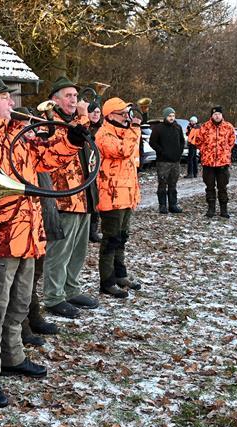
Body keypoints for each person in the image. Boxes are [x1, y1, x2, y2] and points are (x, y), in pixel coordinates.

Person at [0, 76, 85, 407]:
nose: (12, 103)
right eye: (5, 98)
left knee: (18, 305)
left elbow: (48, 159)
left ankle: (12, 357)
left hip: (27, 236)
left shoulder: (18, 134)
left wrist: (71, 141)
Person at [38, 76, 100, 320]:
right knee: (59, 252)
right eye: (68, 96)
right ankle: (53, 296)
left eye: (75, 95)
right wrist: (84, 119)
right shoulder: (48, 122)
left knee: (78, 250)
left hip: (82, 196)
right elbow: (55, 153)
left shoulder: (74, 121)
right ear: (55, 100)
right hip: (63, 197)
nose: (74, 100)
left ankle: (71, 289)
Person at [13, 106, 61, 348]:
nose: (30, 131)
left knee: (36, 273)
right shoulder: (16, 149)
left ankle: (33, 316)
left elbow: (55, 146)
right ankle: (22, 325)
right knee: (23, 280)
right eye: (25, 126)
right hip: (27, 219)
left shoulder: (34, 147)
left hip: (42, 217)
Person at [94, 98, 143, 299]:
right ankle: (107, 282)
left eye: (126, 113)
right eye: (122, 114)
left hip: (126, 195)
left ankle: (120, 275)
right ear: (110, 115)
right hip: (111, 196)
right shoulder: (104, 134)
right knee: (111, 240)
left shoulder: (124, 132)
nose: (126, 117)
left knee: (122, 238)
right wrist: (135, 129)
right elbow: (123, 151)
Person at [194, 106, 236, 218]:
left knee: (223, 187)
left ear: (222, 115)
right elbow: (198, 141)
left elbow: (232, 141)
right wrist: (205, 151)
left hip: (223, 163)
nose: (217, 116)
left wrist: (225, 151)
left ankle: (224, 210)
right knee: (209, 187)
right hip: (208, 163)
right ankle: (211, 209)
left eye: (219, 114)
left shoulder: (228, 127)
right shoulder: (205, 127)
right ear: (212, 115)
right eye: (215, 114)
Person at [149, 106, 185, 214]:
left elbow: (182, 141)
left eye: (173, 115)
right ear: (165, 116)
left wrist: (179, 152)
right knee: (162, 184)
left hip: (175, 161)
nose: (172, 118)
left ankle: (173, 205)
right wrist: (161, 151)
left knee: (173, 184)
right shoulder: (158, 128)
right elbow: (152, 142)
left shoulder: (178, 127)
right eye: (169, 116)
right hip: (163, 162)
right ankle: (163, 205)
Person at [88, 102, 103, 242]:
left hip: (99, 168)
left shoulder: (102, 129)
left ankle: (93, 230)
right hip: (86, 168)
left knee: (96, 200)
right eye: (93, 111)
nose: (95, 114)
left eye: (98, 112)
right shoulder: (84, 127)